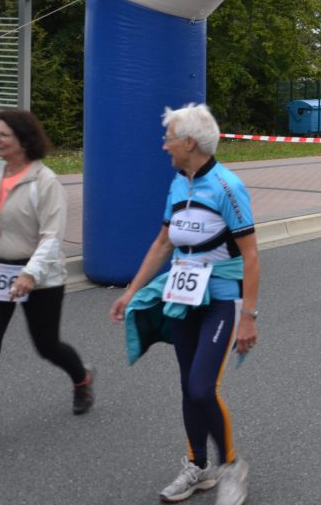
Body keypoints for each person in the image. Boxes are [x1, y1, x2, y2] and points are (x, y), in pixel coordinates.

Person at [109, 103, 258, 505]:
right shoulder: (178, 183)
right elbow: (162, 243)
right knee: (187, 386)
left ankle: (231, 466)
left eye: (169, 138)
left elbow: (251, 256)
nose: (164, 145)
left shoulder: (228, 187)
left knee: (202, 387)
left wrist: (248, 316)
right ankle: (198, 466)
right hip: (183, 296)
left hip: (222, 300)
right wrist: (131, 291)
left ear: (190, 142)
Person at [0, 110, 94, 462]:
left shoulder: (45, 181)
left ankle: (82, 378)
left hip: (40, 274)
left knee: (47, 345)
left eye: (3, 135)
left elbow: (52, 237)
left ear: (24, 139)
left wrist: (29, 273)